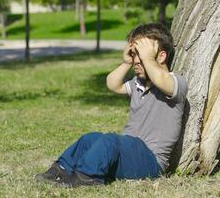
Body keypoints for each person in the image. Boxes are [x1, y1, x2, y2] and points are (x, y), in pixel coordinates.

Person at [35, 23, 188, 188]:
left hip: (150, 161)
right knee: (90, 138)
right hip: (127, 151)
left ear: (161, 56)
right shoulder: (139, 83)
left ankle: (86, 177)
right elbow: (113, 84)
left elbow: (162, 80)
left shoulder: (175, 83)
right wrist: (126, 63)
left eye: (141, 54)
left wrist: (148, 59)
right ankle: (61, 170)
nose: (137, 59)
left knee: (110, 141)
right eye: (134, 53)